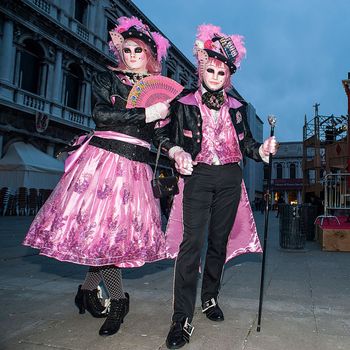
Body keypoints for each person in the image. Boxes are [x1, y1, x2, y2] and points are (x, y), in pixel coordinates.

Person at [23, 16, 170, 337]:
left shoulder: (158, 92)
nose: (132, 55)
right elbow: (102, 114)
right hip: (104, 162)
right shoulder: (108, 80)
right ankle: (118, 300)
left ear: (150, 55)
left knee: (110, 238)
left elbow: (158, 138)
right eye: (128, 49)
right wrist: (146, 113)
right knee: (106, 235)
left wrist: (175, 149)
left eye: (139, 50)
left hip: (136, 168)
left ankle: (87, 291)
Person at [154, 24, 278, 349]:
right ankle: (181, 318)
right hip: (197, 174)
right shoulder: (184, 102)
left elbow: (247, 143)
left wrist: (262, 151)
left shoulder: (237, 110)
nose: (214, 76)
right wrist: (176, 151)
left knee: (218, 242)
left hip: (229, 179)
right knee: (191, 243)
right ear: (201, 68)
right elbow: (163, 136)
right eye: (209, 70)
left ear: (228, 76)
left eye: (221, 72)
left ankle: (209, 297)